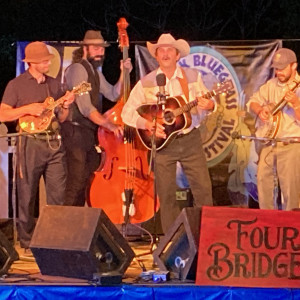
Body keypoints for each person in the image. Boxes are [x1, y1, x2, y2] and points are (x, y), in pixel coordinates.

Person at [121, 33, 214, 233]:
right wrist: (146, 124)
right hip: (162, 143)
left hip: (190, 140)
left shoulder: (192, 77)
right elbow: (126, 113)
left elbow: (207, 105)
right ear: (155, 55)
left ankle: (205, 236)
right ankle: (172, 242)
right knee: (166, 194)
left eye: (169, 50)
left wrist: (210, 105)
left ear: (177, 54)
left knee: (203, 191)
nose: (165, 54)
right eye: (160, 50)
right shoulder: (146, 82)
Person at [0, 41, 74, 256]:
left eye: (48, 60)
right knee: (27, 192)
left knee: (58, 195)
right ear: (31, 63)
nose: (47, 64)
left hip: (54, 141)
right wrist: (27, 109)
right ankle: (27, 241)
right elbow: (3, 114)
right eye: (43, 61)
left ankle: (56, 240)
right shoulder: (16, 85)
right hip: (30, 143)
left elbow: (62, 118)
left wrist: (66, 106)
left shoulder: (55, 84)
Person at [61, 30, 132, 207]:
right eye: (95, 48)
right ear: (85, 48)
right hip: (75, 130)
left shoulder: (95, 71)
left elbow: (114, 94)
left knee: (87, 181)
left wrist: (123, 72)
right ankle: (67, 227)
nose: (100, 52)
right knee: (76, 183)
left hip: (88, 132)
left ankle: (81, 226)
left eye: (102, 48)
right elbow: (85, 107)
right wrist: (109, 125)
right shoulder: (78, 69)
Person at [247, 48, 300, 210]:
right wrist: (260, 111)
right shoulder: (270, 85)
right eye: (276, 69)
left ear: (294, 66)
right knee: (263, 182)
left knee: (290, 190)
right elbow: (252, 102)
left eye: (282, 68)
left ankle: (291, 227)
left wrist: (297, 104)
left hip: (290, 144)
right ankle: (267, 224)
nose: (279, 72)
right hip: (269, 142)